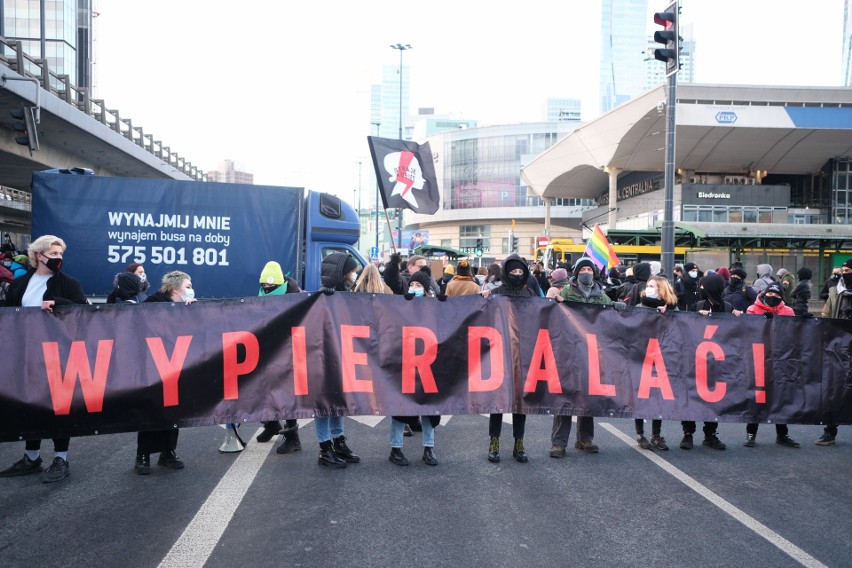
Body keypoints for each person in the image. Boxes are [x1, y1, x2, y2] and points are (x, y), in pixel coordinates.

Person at [0, 235, 88, 483]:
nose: (58, 259)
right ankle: (32, 457)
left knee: (58, 407)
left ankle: (61, 458)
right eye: (53, 254)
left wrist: (58, 303)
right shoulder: (19, 285)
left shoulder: (69, 284)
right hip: (26, 354)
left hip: (58, 355)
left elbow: (84, 311)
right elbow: (9, 319)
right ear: (38, 255)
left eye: (61, 254)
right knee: (30, 404)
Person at [550, 257, 613, 458]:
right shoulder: (567, 292)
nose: (587, 271)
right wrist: (556, 302)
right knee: (565, 397)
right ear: (576, 273)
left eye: (589, 268)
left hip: (591, 353)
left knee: (588, 397)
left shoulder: (601, 295)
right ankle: (559, 443)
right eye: (583, 268)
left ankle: (585, 439)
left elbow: (611, 317)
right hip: (568, 351)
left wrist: (618, 308)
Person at [135, 271, 195, 474]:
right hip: (153, 363)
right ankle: (142, 456)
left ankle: (167, 452)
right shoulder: (153, 302)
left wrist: (192, 311)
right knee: (150, 410)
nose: (190, 289)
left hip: (176, 364)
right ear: (175, 288)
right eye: (188, 286)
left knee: (173, 409)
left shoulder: (188, 305)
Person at [482, 254, 536, 464]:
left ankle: (519, 442)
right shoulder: (495, 293)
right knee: (498, 401)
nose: (517, 275)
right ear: (506, 272)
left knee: (520, 402)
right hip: (499, 353)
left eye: (520, 272)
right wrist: (482, 301)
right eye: (513, 271)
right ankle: (494, 441)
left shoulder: (529, 292)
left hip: (522, 354)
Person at [681, 273, 742, 451]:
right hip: (696, 362)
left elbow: (738, 332)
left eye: (703, 286)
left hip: (718, 365)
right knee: (692, 398)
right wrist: (695, 316)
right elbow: (684, 327)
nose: (700, 289)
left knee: (714, 401)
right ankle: (688, 433)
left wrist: (740, 318)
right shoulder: (696, 306)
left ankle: (710, 434)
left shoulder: (728, 308)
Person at [389, 269, 440, 466]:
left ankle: (429, 448)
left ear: (426, 289)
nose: (413, 288)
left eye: (418, 285)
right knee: (400, 407)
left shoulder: (435, 307)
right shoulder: (402, 305)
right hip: (406, 365)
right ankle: (395, 449)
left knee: (429, 409)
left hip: (428, 365)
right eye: (411, 285)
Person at [315, 252, 361, 468]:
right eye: (352, 272)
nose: (355, 275)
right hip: (324, 359)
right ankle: (325, 448)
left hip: (342, 356)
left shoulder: (348, 295)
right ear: (342, 274)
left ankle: (338, 441)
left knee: (338, 401)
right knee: (324, 403)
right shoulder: (322, 299)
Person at [254, 261, 304, 454]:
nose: (266, 290)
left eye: (270, 287)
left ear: (280, 284)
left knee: (286, 394)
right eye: (263, 287)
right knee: (262, 390)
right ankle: (271, 424)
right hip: (268, 350)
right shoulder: (263, 293)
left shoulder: (295, 296)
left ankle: (293, 438)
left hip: (288, 352)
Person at [743, 283, 799, 448]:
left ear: (782, 297)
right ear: (764, 294)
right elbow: (747, 331)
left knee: (781, 397)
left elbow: (793, 334)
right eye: (770, 294)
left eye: (776, 296)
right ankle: (751, 433)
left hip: (781, 359)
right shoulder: (753, 309)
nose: (772, 298)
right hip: (759, 358)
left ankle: (782, 434)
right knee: (758, 397)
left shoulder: (788, 311)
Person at [633, 276, 678, 451]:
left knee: (658, 397)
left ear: (662, 290)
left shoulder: (672, 309)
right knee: (641, 396)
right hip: (641, 357)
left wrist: (667, 315)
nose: (649, 288)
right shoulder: (639, 307)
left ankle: (656, 435)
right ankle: (640, 434)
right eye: (648, 285)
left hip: (662, 358)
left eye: (654, 286)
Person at [816, 257, 852, 446]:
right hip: (840, 348)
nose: (844, 274)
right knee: (836, 389)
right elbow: (826, 314)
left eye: (848, 271)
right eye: (844, 271)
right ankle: (830, 431)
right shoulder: (834, 291)